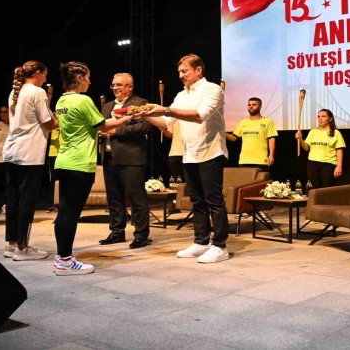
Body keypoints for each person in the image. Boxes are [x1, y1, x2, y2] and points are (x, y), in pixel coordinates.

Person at [141, 53, 230, 264]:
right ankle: (201, 241)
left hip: (211, 152)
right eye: (179, 72)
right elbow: (166, 123)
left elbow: (200, 115)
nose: (181, 75)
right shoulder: (181, 95)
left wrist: (166, 110)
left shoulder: (213, 90)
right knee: (197, 201)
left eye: (185, 71)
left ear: (198, 70)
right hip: (189, 154)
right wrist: (144, 114)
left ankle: (220, 246)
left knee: (214, 200)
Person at [53, 61, 133, 275]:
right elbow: (103, 126)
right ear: (79, 78)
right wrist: (127, 118)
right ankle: (65, 261)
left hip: (64, 161)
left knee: (64, 212)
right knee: (71, 214)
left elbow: (89, 125)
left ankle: (62, 257)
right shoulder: (83, 100)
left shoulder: (61, 100)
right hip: (80, 164)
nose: (90, 82)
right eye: (88, 78)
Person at [2, 61, 59, 261]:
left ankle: (12, 244)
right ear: (38, 73)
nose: (45, 79)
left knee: (13, 199)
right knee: (26, 200)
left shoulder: (15, 91)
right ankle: (22, 248)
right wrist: (62, 118)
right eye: (45, 74)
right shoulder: (37, 92)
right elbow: (49, 123)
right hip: (29, 154)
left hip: (11, 151)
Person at [98, 72, 152, 249]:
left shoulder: (140, 103)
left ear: (130, 87)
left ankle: (141, 235)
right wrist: (100, 132)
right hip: (109, 157)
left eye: (119, 85)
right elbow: (100, 125)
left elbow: (144, 126)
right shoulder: (107, 106)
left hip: (131, 158)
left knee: (136, 198)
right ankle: (117, 232)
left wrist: (116, 131)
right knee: (114, 198)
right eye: (113, 85)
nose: (115, 88)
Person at [295, 109, 345, 189]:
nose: (320, 119)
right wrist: (300, 139)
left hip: (328, 164)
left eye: (323, 116)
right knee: (315, 189)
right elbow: (306, 148)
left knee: (326, 190)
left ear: (330, 119)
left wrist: (339, 166)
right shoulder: (313, 132)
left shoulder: (336, 133)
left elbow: (339, 150)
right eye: (318, 117)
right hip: (312, 164)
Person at [226, 97, 278, 172]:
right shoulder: (243, 122)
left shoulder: (268, 122)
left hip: (261, 161)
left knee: (261, 180)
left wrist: (271, 155)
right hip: (244, 161)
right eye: (249, 105)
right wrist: (222, 133)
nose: (251, 106)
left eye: (254, 105)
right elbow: (234, 138)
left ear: (260, 106)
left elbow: (271, 138)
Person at [44, 127, 61, 213]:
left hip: (65, 152)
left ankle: (62, 203)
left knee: (64, 179)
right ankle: (52, 204)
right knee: (53, 180)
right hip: (53, 153)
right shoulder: (52, 123)